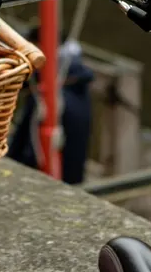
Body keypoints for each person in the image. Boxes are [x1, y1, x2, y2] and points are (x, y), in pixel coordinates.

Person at [7, 29, 94, 185]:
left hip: (45, 178)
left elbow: (28, 148)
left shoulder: (48, 99)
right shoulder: (77, 82)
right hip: (73, 177)